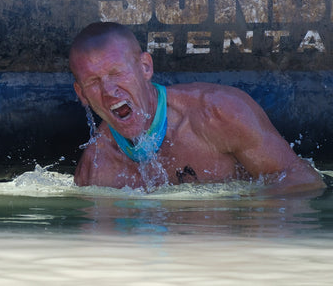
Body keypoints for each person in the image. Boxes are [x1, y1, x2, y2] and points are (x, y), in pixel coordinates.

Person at [69, 21, 325, 194]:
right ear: (81, 94)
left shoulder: (217, 113)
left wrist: (248, 219)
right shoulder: (97, 170)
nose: (109, 91)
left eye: (117, 73)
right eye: (93, 82)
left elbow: (304, 181)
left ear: (145, 67)